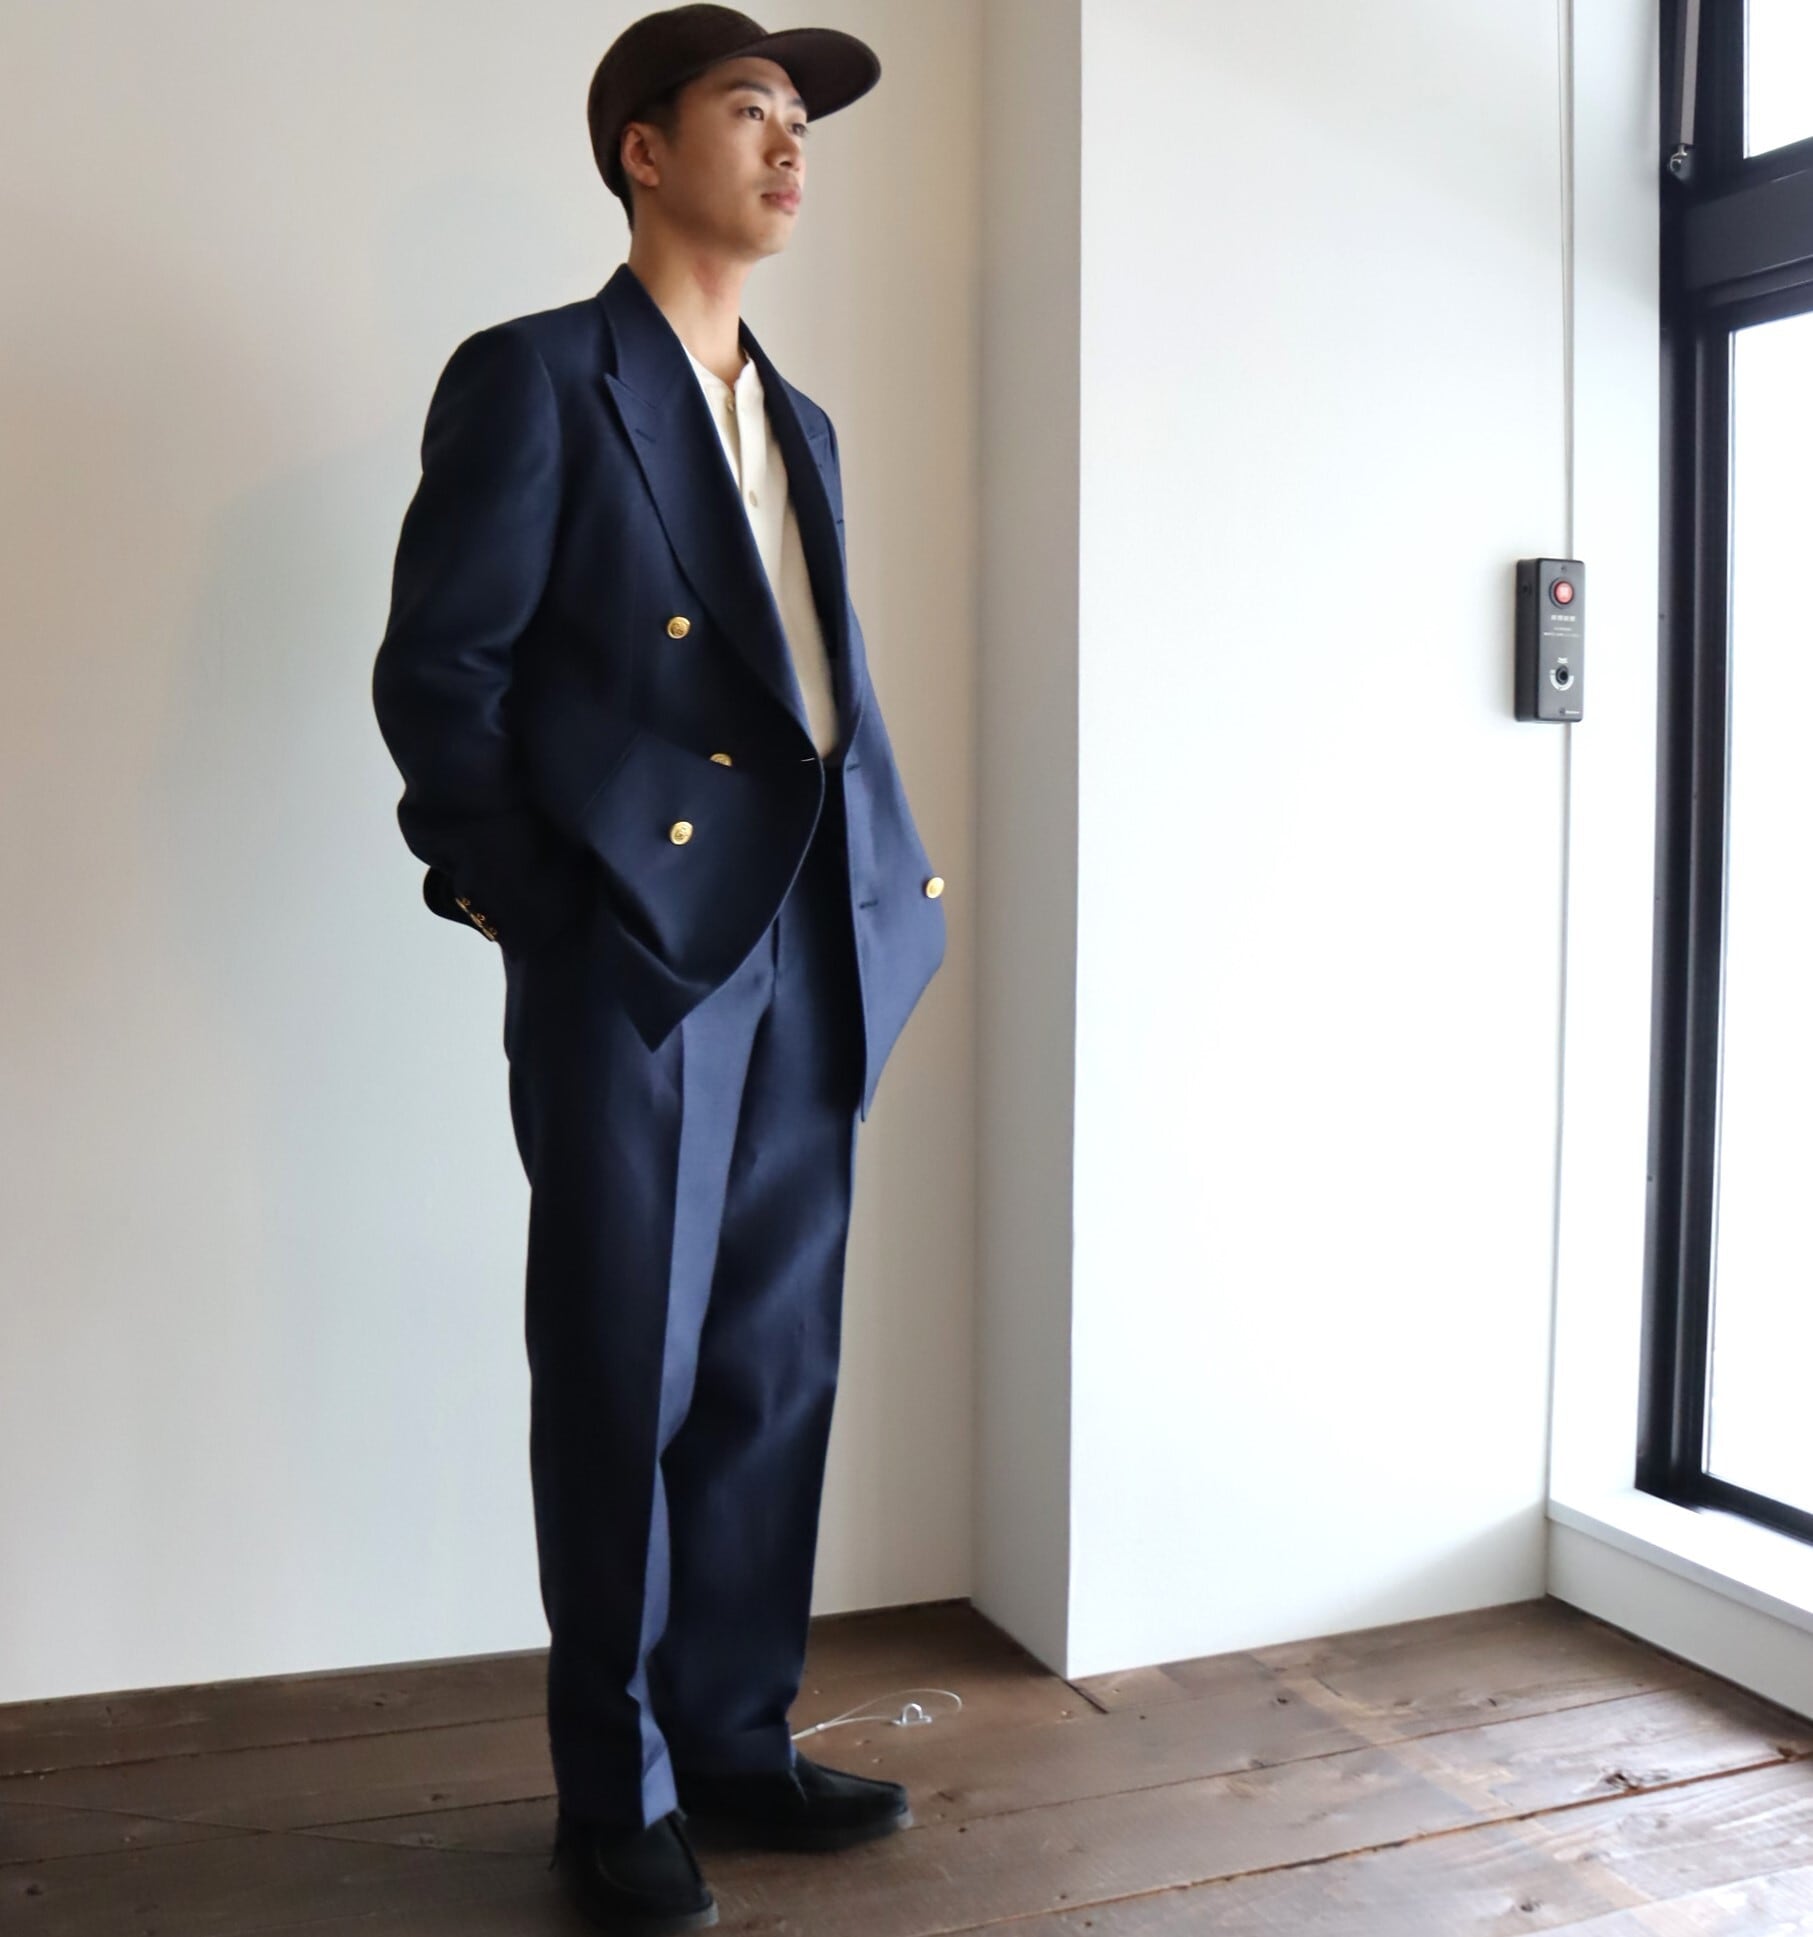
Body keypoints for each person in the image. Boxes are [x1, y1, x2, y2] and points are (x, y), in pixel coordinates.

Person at [369, 7, 947, 1929]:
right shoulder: (538, 377)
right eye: (750, 110)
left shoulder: (806, 421)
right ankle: (608, 1790)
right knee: (626, 1364)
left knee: (774, 1364)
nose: (791, 147)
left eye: (802, 123)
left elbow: (810, 692)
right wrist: (534, 905)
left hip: (817, 931)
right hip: (638, 956)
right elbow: (439, 676)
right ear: (641, 147)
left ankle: (733, 1739)